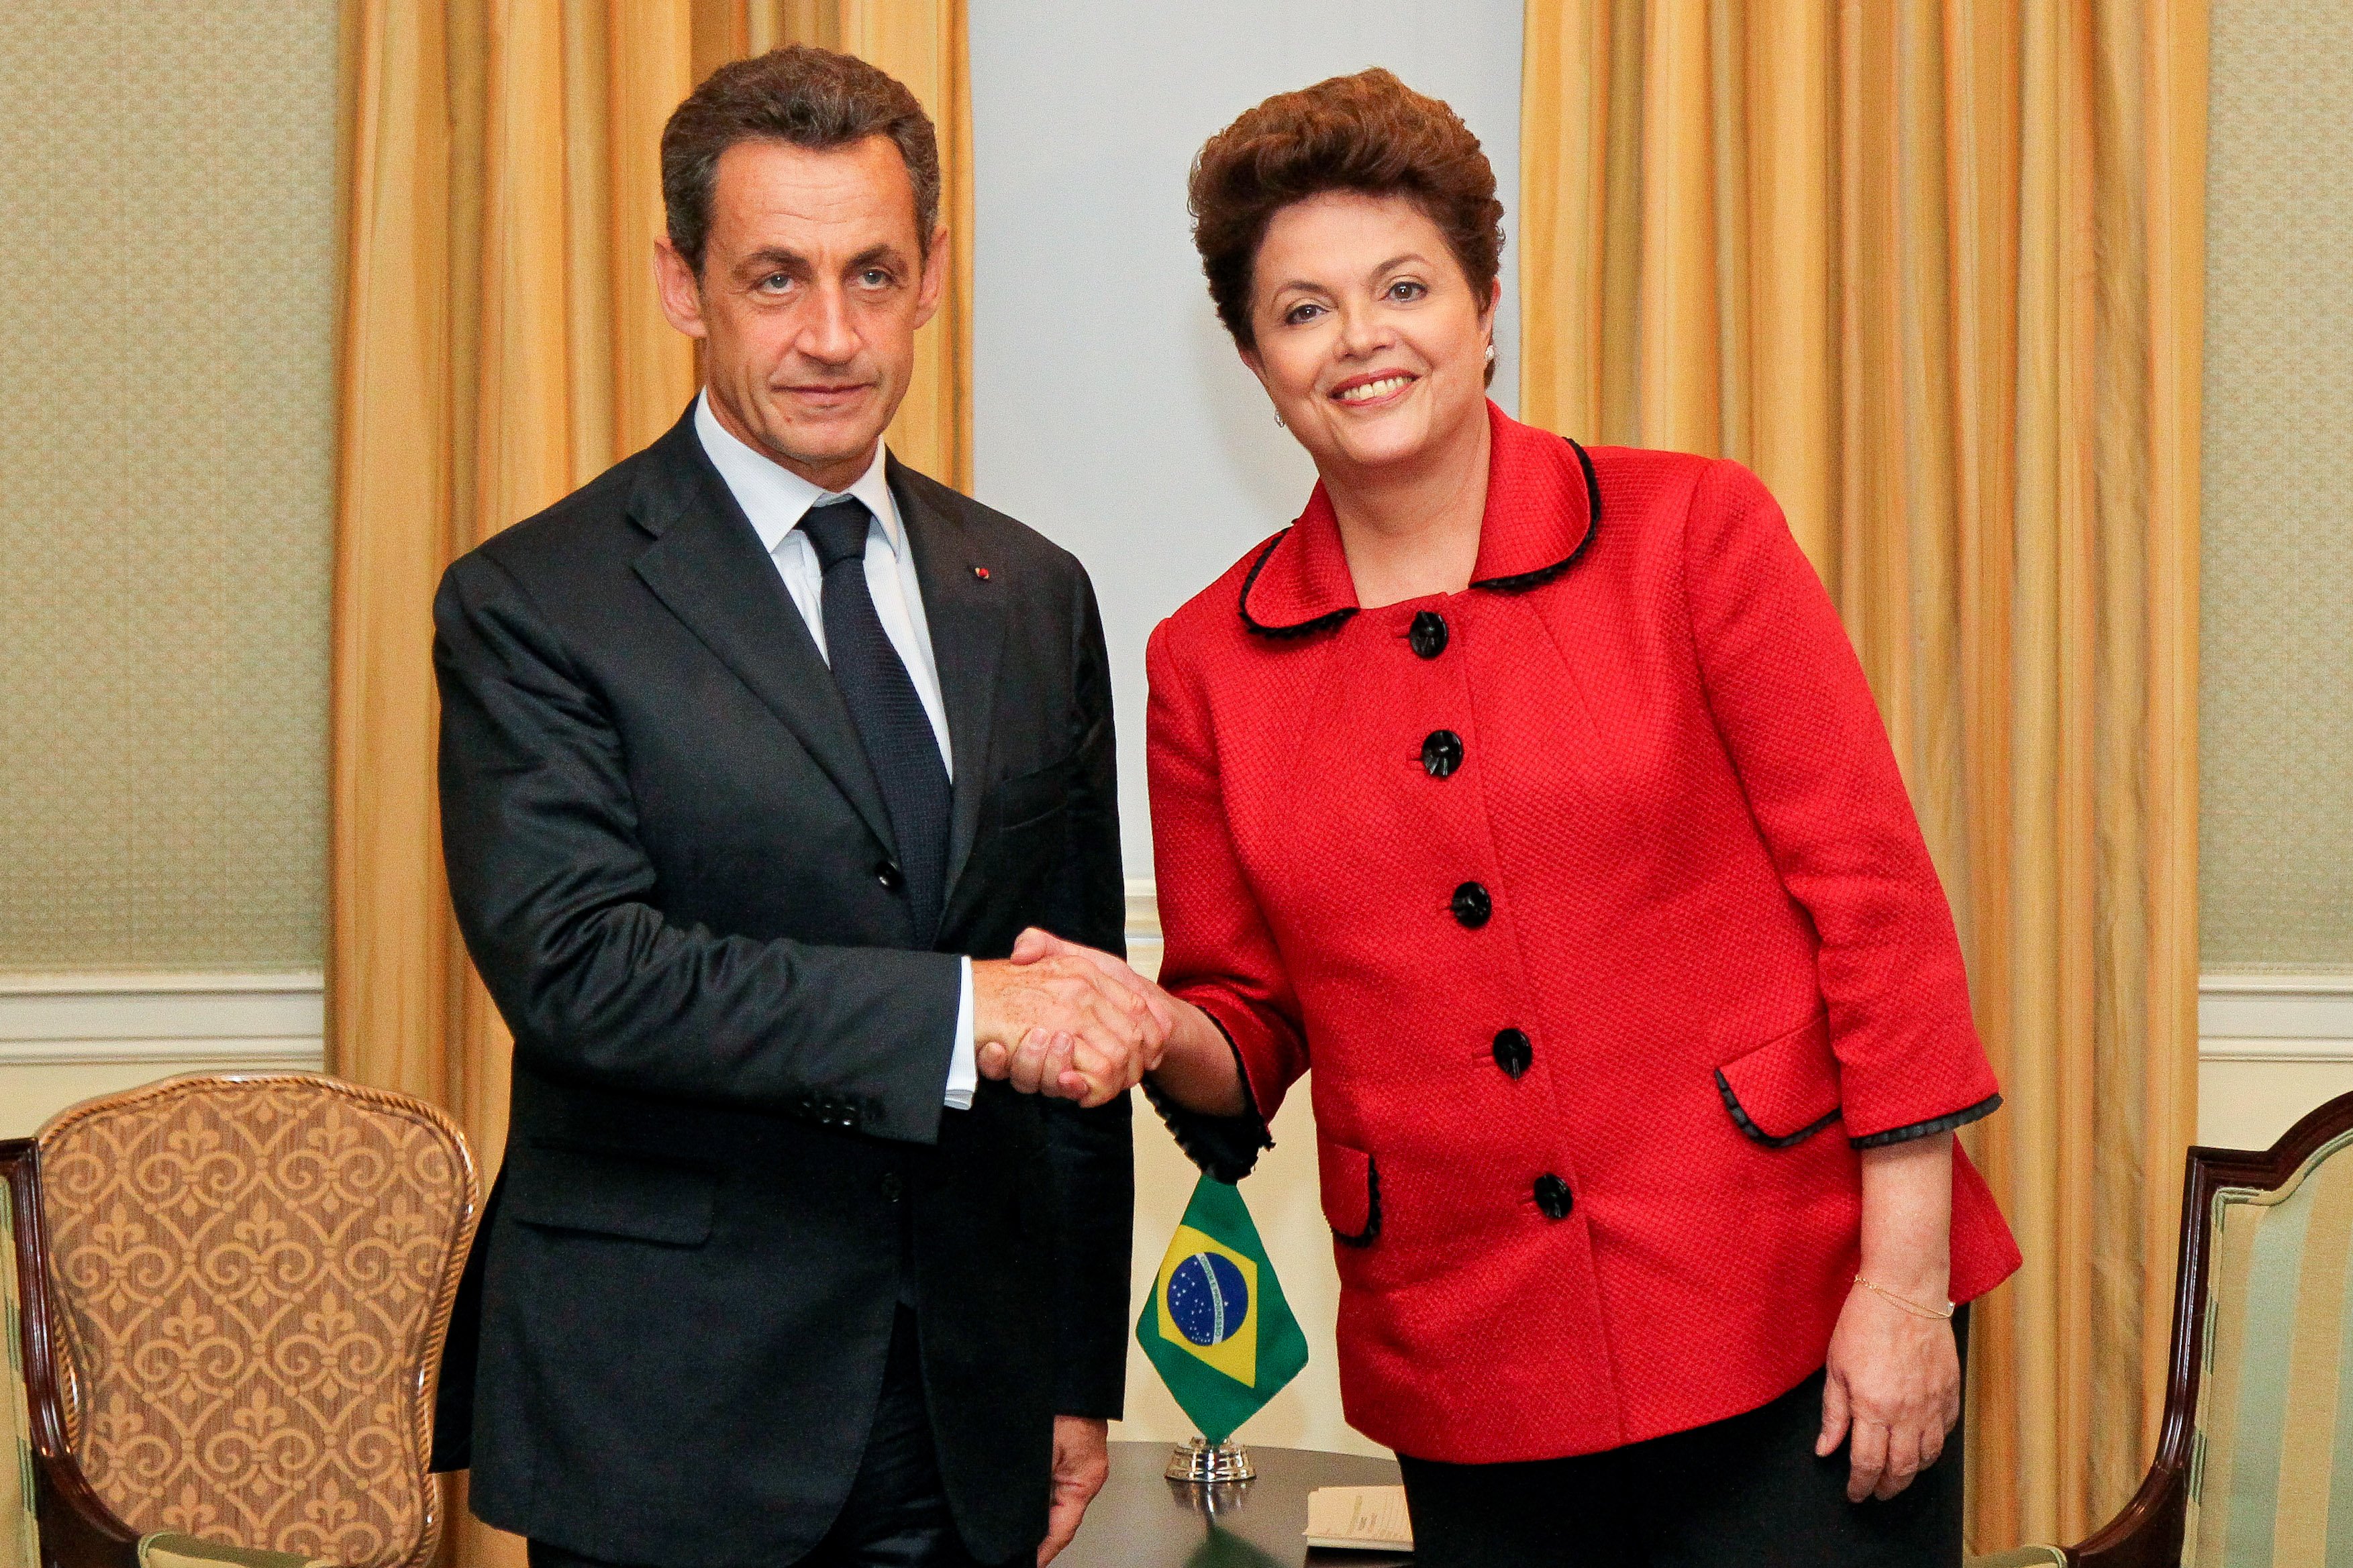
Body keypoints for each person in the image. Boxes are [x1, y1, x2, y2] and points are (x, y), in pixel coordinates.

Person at [1014, 68, 2022, 1567]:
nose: (1361, 337)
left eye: (1403, 286)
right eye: (1303, 310)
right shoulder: (1203, 661)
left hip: (1799, 1320)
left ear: (1484, 305)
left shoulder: (1695, 532)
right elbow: (1248, 1023)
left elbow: (1875, 909)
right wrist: (1154, 1024)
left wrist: (1900, 1285)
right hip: (1468, 1368)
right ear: (1254, 360)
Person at [431, 45, 1164, 1568]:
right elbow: (582, 972)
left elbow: (1073, 991)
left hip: (963, 1402)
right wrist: (958, 1012)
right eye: (775, 278)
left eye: (872, 275)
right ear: (681, 284)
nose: (832, 336)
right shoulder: (535, 600)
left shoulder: (1031, 592)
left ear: (931, 277)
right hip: (667, 1407)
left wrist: (1072, 1367)